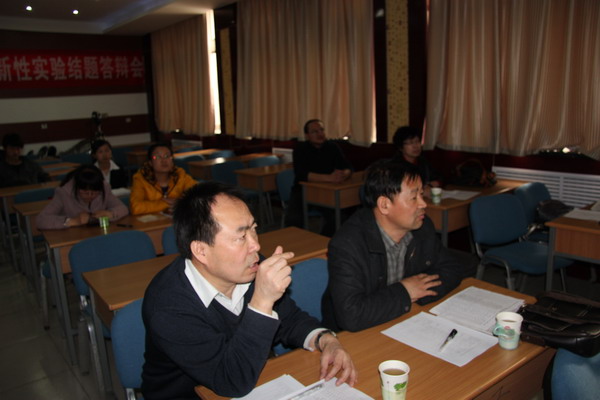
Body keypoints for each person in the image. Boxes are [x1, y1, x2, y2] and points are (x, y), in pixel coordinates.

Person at [142, 182, 357, 399]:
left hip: (252, 379)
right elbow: (231, 381)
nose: (255, 245)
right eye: (241, 237)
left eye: (253, 229)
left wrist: (326, 340)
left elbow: (290, 320)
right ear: (201, 251)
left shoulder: (248, 267)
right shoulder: (168, 306)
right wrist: (262, 301)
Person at [322, 160, 463, 332]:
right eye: (414, 198)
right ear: (384, 205)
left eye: (421, 194)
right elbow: (351, 315)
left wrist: (417, 293)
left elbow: (452, 268)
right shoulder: (347, 244)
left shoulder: (422, 227)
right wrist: (406, 292)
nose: (423, 204)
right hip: (353, 336)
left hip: (402, 320)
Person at [284, 119, 353, 236]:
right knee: (293, 219)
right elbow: (302, 175)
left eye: (321, 130)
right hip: (303, 191)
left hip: (327, 191)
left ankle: (322, 240)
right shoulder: (300, 149)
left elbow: (348, 167)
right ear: (307, 135)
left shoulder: (332, 147)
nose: (320, 134)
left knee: (340, 216)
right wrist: (330, 178)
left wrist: (344, 174)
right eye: (315, 132)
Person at [36, 165, 128, 230]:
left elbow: (123, 208)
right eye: (85, 192)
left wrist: (110, 213)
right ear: (77, 187)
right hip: (72, 239)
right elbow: (41, 220)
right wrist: (72, 221)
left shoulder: (104, 189)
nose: (90, 196)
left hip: (98, 235)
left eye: (95, 192)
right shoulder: (63, 193)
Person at [129, 143, 197, 215]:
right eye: (158, 157)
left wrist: (180, 202)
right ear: (150, 163)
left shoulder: (180, 175)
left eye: (167, 156)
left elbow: (199, 195)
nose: (164, 160)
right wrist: (169, 203)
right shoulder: (140, 179)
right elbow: (135, 207)